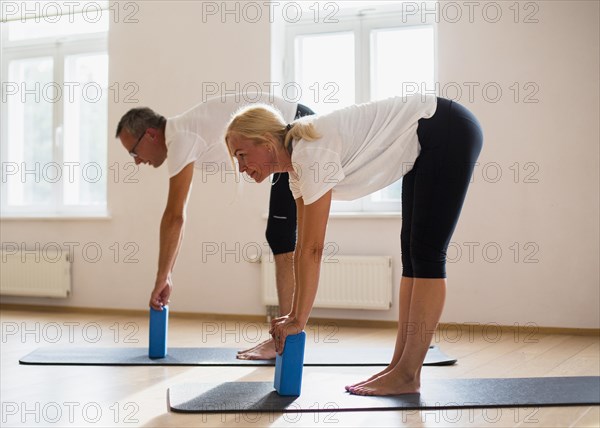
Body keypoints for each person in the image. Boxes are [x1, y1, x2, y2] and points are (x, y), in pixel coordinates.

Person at [225, 94, 483, 395]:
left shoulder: (310, 152)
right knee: (413, 257)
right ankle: (399, 367)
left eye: (242, 154)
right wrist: (295, 315)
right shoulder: (296, 169)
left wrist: (298, 320)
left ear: (266, 142)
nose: (241, 167)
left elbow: (313, 250)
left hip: (445, 129)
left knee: (427, 255)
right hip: (430, 138)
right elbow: (303, 247)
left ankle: (408, 375)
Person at [115, 93, 314, 360]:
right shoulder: (185, 130)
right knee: (279, 235)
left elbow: (175, 216)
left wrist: (163, 278)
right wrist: (167, 274)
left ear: (151, 134)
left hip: (293, 124)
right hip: (290, 123)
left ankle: (284, 339)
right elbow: (177, 216)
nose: (137, 161)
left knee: (281, 236)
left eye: (134, 152)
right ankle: (283, 337)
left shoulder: (181, 137)